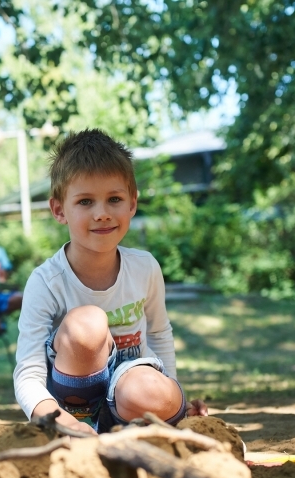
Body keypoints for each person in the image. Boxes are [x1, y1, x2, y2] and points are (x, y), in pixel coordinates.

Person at [13, 129, 208, 436]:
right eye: (86, 201)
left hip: (128, 389)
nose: (102, 214)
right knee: (87, 324)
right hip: (72, 402)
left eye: (114, 199)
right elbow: (28, 371)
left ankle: (122, 429)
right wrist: (52, 416)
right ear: (59, 209)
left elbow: (158, 332)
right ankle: (82, 429)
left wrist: (172, 398)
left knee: (154, 392)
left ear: (132, 204)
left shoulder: (144, 268)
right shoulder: (46, 282)